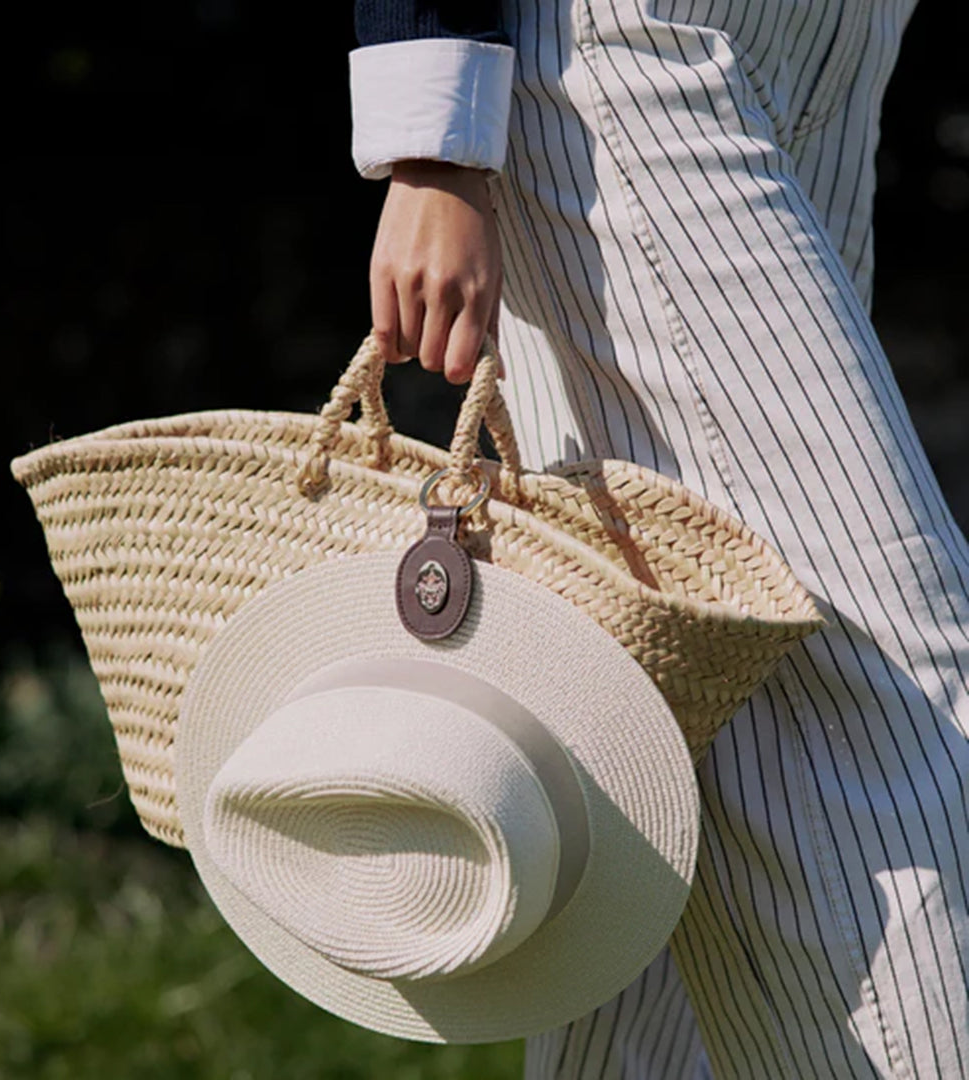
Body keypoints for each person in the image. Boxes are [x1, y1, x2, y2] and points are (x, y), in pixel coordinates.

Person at [349, 1, 969, 1078]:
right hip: (629, 47)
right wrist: (434, 143)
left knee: (653, 729)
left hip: (833, 44)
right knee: (888, 703)